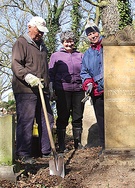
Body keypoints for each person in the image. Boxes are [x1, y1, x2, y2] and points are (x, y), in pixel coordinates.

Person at [11, 16, 54, 164]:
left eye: (43, 32)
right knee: (26, 121)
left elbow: (45, 68)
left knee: (47, 119)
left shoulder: (43, 46)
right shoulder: (21, 43)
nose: (41, 34)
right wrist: (28, 77)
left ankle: (47, 151)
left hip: (42, 89)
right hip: (25, 89)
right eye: (38, 31)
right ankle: (23, 153)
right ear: (30, 27)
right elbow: (16, 64)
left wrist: (49, 85)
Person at [49, 31, 85, 152]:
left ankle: (77, 143)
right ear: (62, 42)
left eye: (70, 41)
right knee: (63, 117)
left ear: (74, 42)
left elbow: (85, 71)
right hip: (62, 90)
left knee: (78, 116)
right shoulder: (56, 56)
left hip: (79, 90)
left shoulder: (80, 55)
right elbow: (51, 74)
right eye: (66, 41)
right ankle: (62, 145)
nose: (68, 44)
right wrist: (51, 89)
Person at [80, 21, 105, 150]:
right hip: (97, 91)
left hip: (112, 89)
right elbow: (84, 71)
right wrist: (88, 82)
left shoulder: (109, 46)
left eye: (94, 32)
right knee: (101, 120)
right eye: (89, 34)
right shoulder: (87, 54)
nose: (92, 36)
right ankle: (104, 146)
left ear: (98, 32)